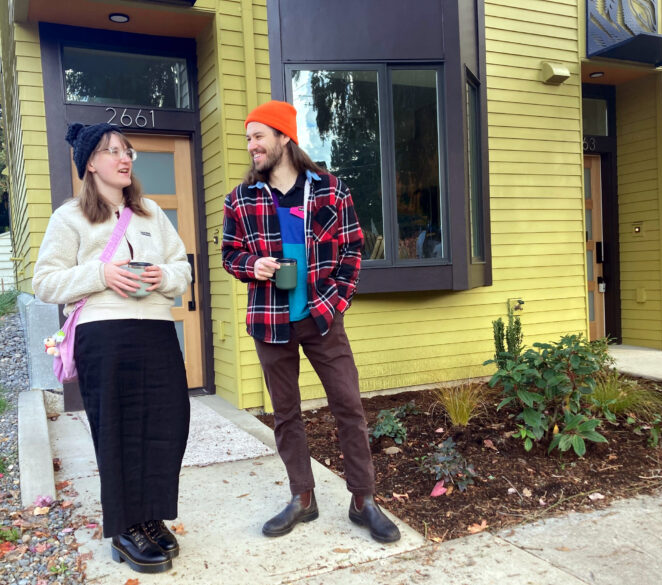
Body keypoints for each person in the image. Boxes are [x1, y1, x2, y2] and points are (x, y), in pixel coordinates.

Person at [222, 100, 401, 543]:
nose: (252, 146)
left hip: (322, 318)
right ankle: (303, 497)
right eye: (248, 138)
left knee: (349, 406)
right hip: (270, 320)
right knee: (286, 414)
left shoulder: (329, 190)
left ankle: (363, 501)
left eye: (259, 136)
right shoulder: (241, 199)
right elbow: (229, 253)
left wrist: (337, 302)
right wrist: (252, 265)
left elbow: (354, 248)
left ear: (284, 137)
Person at [33, 123, 192, 574]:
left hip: (156, 331)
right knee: (118, 428)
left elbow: (182, 267)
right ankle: (124, 529)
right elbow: (44, 282)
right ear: (90, 164)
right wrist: (101, 275)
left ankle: (150, 515)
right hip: (104, 335)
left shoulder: (151, 214)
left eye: (127, 151)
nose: (124, 159)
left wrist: (165, 277)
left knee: (167, 423)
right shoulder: (70, 218)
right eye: (111, 152)